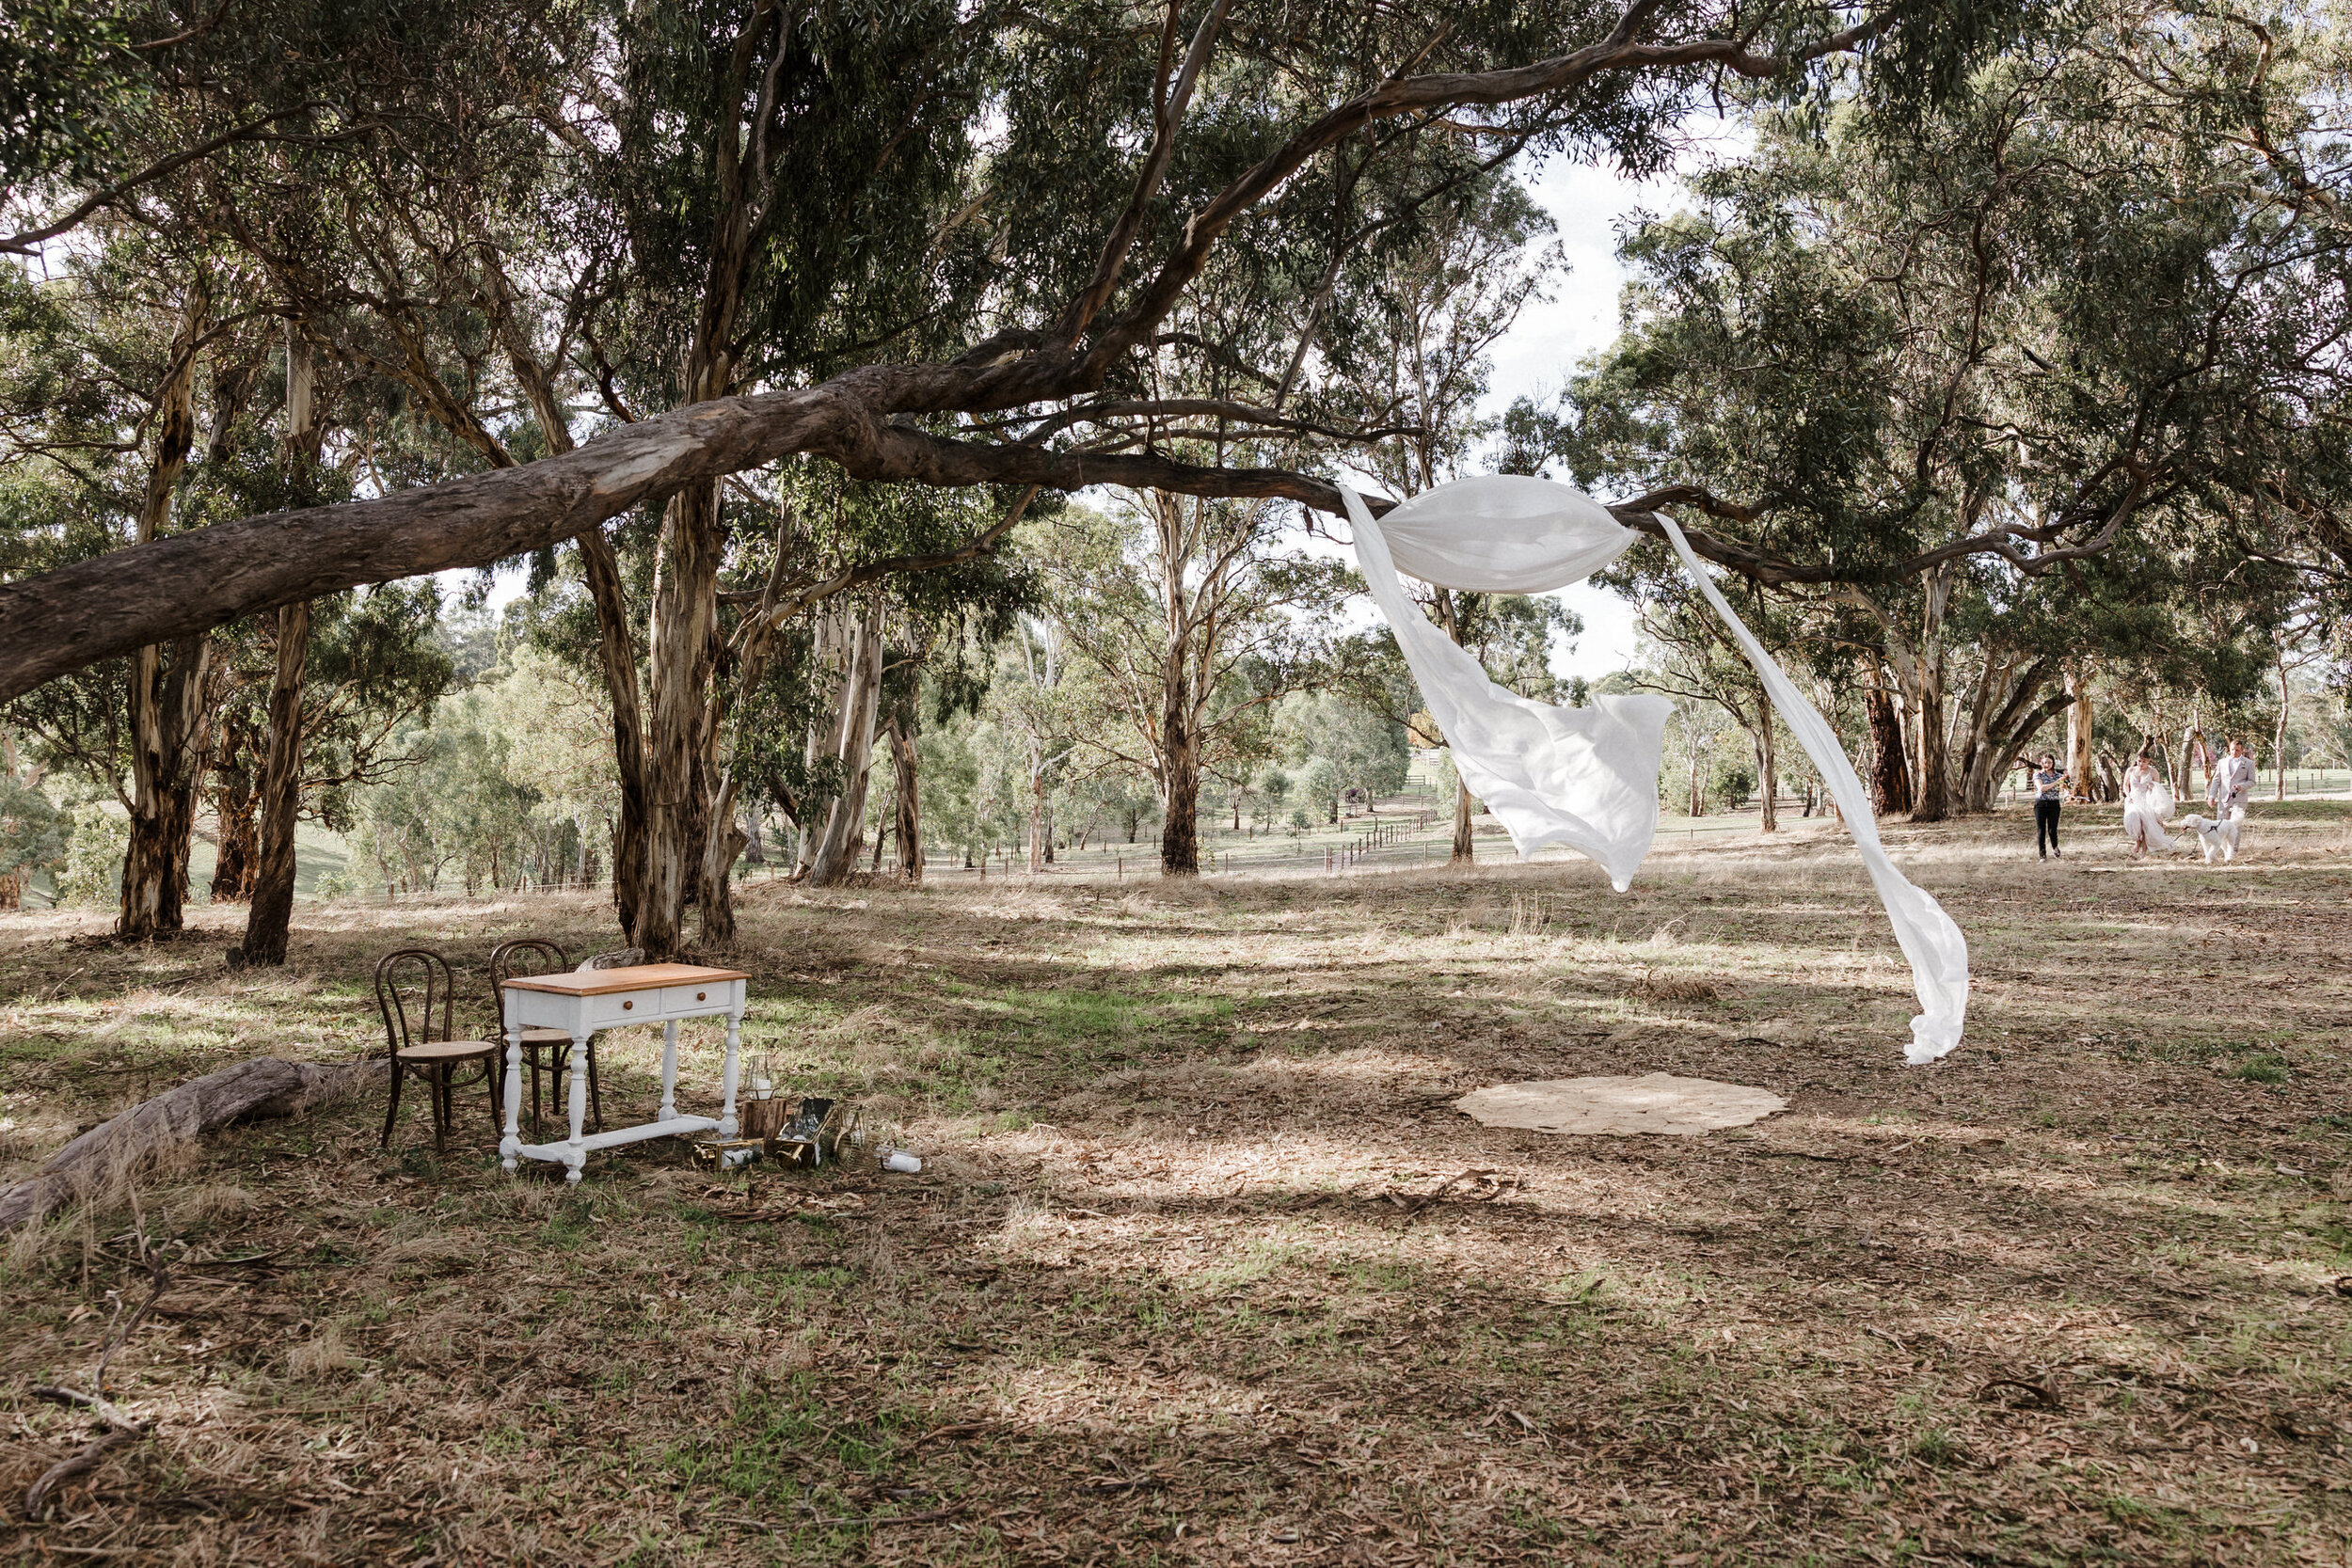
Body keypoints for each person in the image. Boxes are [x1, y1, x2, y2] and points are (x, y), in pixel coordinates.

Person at [2121, 751, 2173, 856]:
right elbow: (2125, 785)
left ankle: (2144, 852)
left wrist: (2152, 786)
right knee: (2133, 820)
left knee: (2146, 825)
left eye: (2144, 761)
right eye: (2139, 761)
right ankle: (2137, 841)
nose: (2141, 764)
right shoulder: (2131, 770)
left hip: (2146, 800)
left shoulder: (2153, 772)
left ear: (2148, 761)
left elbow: (2157, 788)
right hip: (2133, 799)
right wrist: (2128, 796)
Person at [2031, 752, 2067, 860]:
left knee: (2052, 829)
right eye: (2045, 762)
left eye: (2049, 762)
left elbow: (2063, 787)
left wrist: (2066, 787)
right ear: (2042, 763)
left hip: (2054, 804)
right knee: (2041, 829)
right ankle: (2042, 855)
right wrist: (2056, 782)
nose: (2047, 764)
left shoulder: (2059, 775)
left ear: (2053, 763)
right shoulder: (2038, 775)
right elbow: (2041, 788)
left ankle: (2055, 848)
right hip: (2041, 804)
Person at [2209, 736, 2256, 819]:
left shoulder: (2249, 763)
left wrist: (2241, 787)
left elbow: (2252, 781)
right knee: (2221, 826)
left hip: (2239, 800)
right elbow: (2216, 780)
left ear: (2242, 750)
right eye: (2232, 749)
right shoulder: (2222, 762)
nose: (2234, 752)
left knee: (2235, 827)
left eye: (2237, 750)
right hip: (2224, 799)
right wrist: (2211, 796)